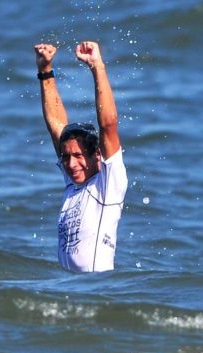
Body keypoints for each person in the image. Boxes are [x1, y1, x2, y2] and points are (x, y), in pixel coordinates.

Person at [34, 41, 128, 272]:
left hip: (97, 292)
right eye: (66, 157)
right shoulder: (73, 183)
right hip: (71, 292)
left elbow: (108, 125)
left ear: (96, 154)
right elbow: (56, 125)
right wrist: (45, 71)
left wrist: (97, 66)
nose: (71, 164)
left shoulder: (108, 184)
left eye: (78, 156)